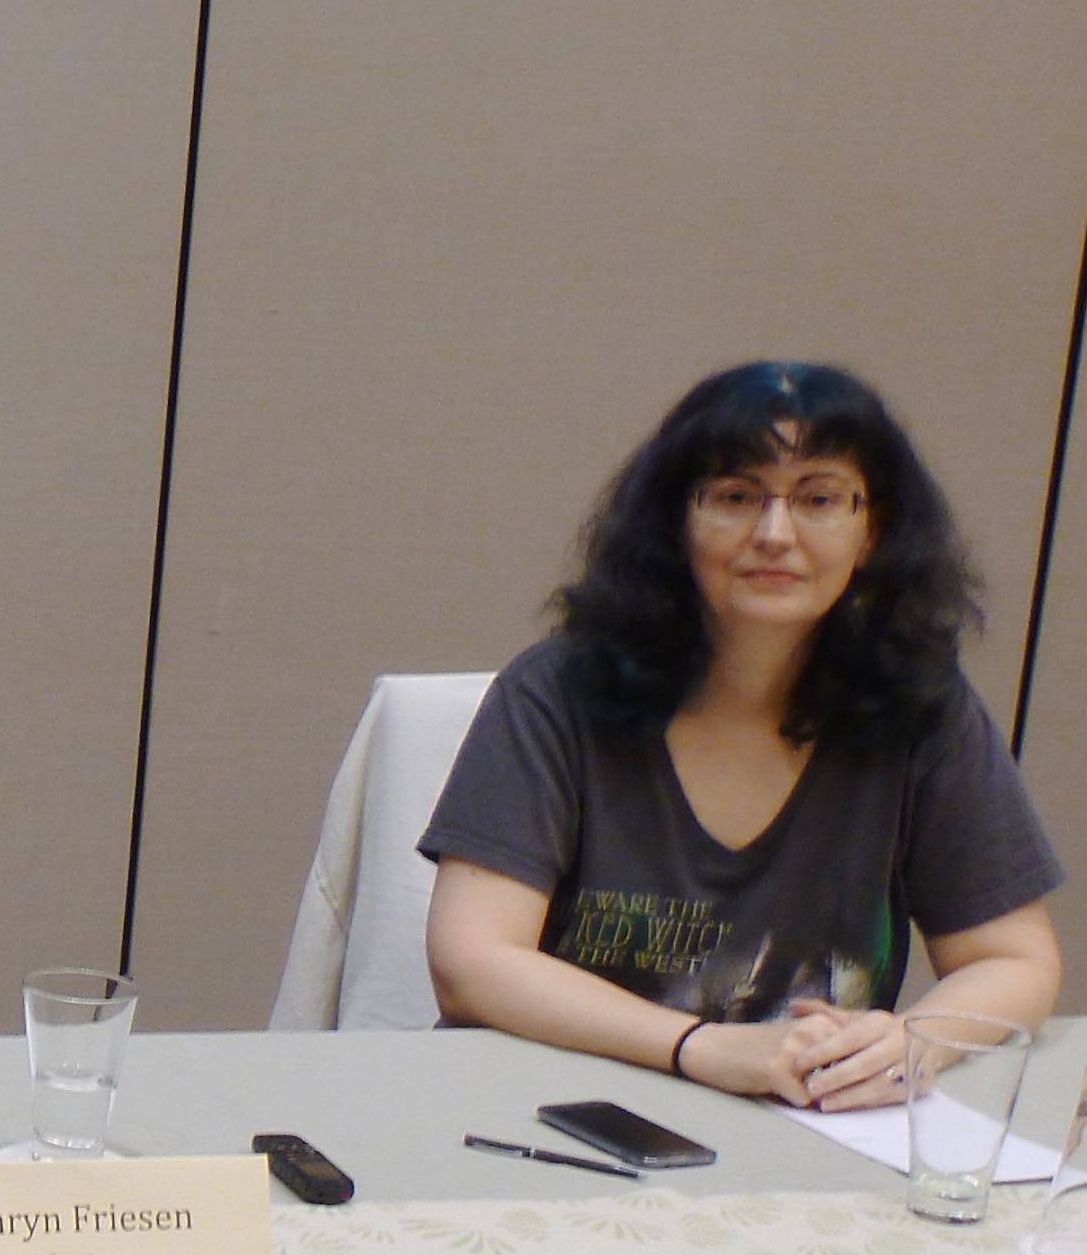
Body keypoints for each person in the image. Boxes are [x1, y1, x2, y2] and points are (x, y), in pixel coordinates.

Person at [422, 361, 1061, 1107]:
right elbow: (471, 962)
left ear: (872, 531)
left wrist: (910, 1042)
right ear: (677, 522)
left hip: (805, 1121)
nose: (774, 534)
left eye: (819, 499)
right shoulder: (554, 693)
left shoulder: (921, 707)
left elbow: (1015, 959)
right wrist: (700, 1048)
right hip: (551, 1110)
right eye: (735, 497)